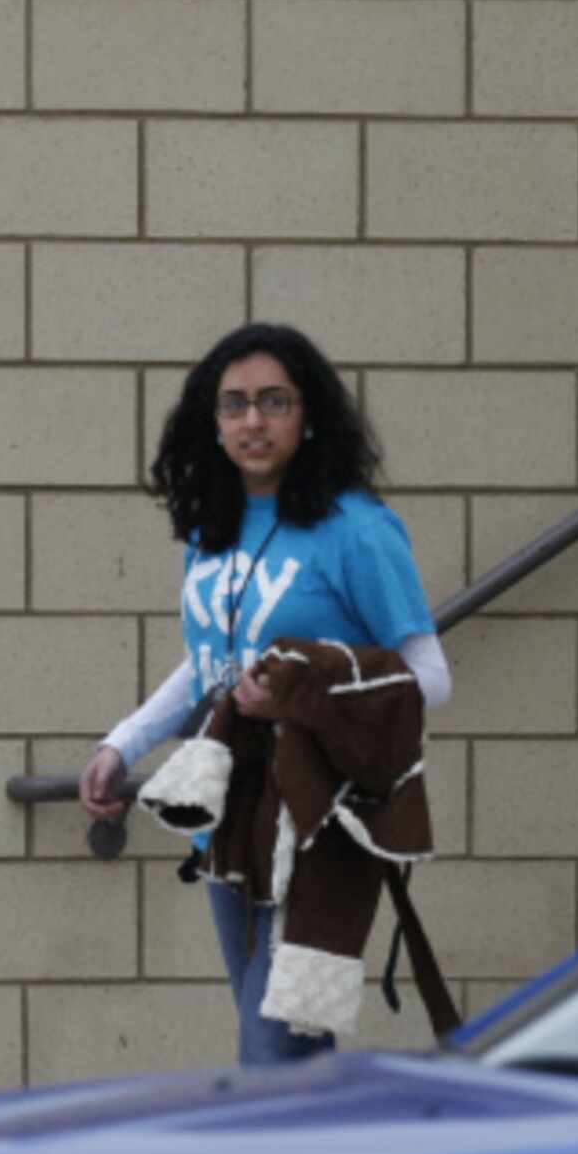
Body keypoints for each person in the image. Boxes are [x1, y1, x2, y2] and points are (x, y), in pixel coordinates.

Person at [80, 323, 451, 1066]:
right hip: (231, 815)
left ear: (307, 415)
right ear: (211, 424)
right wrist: (125, 741)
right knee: (288, 1059)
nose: (253, 421)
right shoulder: (211, 531)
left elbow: (429, 677)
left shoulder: (357, 530)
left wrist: (303, 697)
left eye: (274, 402)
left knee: (271, 1054)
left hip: (322, 825)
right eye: (235, 405)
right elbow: (211, 665)